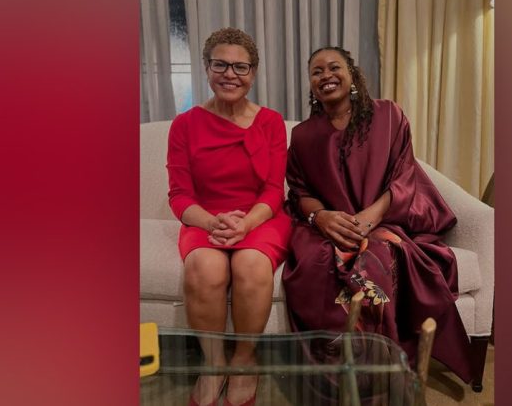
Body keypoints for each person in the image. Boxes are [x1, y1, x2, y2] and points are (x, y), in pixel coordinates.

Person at [282, 46, 475, 383]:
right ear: (311, 85)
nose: (325, 75)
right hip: (327, 228)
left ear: (352, 74)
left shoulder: (388, 116)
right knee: (320, 264)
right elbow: (299, 193)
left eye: (333, 67)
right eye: (316, 71)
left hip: (383, 221)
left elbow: (403, 178)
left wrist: (366, 220)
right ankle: (340, 374)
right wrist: (323, 218)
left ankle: (380, 373)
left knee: (374, 258)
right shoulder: (302, 136)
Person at [167, 27, 291, 406]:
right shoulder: (184, 125)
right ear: (206, 67)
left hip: (260, 218)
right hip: (204, 218)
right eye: (220, 64)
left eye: (241, 67)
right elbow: (179, 194)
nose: (230, 74)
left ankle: (243, 361)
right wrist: (210, 222)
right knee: (205, 267)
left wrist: (246, 223)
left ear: (253, 73)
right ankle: (214, 364)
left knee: (252, 266)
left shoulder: (270, 122)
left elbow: (273, 188)